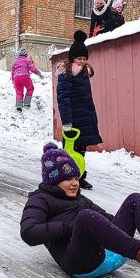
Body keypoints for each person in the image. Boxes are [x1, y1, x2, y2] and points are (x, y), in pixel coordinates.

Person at [20, 143, 140, 278]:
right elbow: (29, 233)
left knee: (136, 199)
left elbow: (107, 222)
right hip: (80, 264)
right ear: (53, 180)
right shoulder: (39, 199)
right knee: (87, 217)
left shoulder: (80, 199)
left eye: (76, 177)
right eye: (68, 179)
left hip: (105, 254)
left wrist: (116, 229)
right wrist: (69, 227)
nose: (75, 183)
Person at [56, 30, 101, 190]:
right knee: (70, 151)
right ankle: (66, 177)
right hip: (73, 120)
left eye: (84, 59)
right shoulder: (66, 74)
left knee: (80, 151)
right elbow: (63, 99)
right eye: (79, 58)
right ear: (72, 58)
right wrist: (67, 123)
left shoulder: (83, 74)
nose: (82, 62)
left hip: (84, 118)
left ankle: (79, 176)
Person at [11, 47, 44, 112]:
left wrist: (13, 81)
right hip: (25, 76)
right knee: (30, 88)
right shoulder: (27, 60)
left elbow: (12, 72)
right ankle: (26, 103)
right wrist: (39, 73)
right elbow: (32, 68)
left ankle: (19, 105)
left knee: (19, 92)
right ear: (25, 54)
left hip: (16, 78)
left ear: (19, 55)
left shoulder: (15, 62)